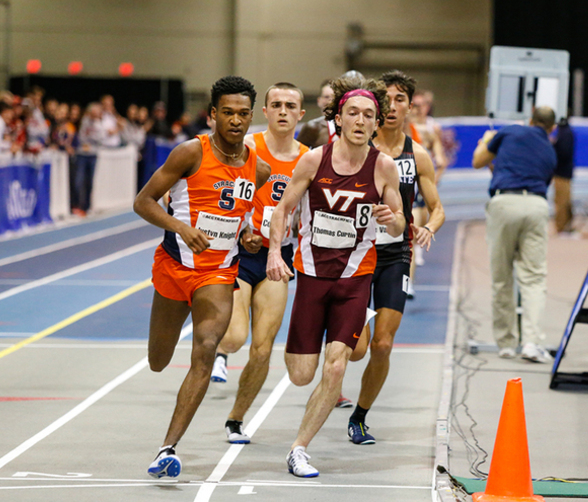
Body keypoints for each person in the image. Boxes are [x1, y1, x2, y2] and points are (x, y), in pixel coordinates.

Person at [265, 75, 404, 477]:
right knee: (300, 374)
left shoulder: (384, 167)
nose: (361, 121)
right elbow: (283, 210)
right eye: (353, 113)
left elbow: (398, 227)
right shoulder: (314, 160)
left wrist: (389, 218)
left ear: (377, 123)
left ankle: (299, 449)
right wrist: (276, 251)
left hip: (355, 278)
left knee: (337, 365)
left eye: (369, 116)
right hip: (312, 276)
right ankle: (355, 335)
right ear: (338, 118)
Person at [133, 76, 270, 479]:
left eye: (243, 114)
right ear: (213, 114)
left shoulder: (256, 169)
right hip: (174, 269)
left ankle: (167, 448)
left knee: (207, 346)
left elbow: (244, 217)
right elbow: (142, 202)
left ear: (250, 118)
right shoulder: (189, 153)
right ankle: (163, 361)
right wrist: (180, 227)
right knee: (158, 360)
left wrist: (247, 235)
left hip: (217, 273)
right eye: (227, 112)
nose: (235, 121)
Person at [345, 70, 445, 444]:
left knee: (382, 344)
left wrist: (428, 228)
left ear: (410, 106)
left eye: (400, 99)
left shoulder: (416, 155)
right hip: (354, 254)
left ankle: (359, 417)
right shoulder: (354, 146)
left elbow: (437, 208)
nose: (391, 106)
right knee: (355, 348)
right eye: (385, 99)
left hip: (394, 256)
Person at [209, 82, 310, 446]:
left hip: (278, 258)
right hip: (240, 253)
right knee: (235, 337)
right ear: (264, 112)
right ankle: (217, 351)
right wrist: (241, 233)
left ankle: (236, 418)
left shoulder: (309, 158)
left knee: (263, 347)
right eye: (276, 105)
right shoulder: (248, 147)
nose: (283, 111)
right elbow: (223, 197)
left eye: (291, 105)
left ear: (301, 114)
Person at [472, 107, 558, 363]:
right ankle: (531, 343)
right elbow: (538, 179)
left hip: (504, 204)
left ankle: (507, 344)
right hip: (536, 206)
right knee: (533, 279)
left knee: (501, 277)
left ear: (530, 120)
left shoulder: (509, 132)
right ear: (551, 128)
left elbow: (478, 161)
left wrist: (485, 142)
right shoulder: (550, 150)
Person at [407, 90, 447, 295]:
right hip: (403, 184)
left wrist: (431, 182)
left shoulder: (432, 130)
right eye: (415, 105)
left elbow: (440, 161)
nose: (418, 108)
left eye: (422, 105)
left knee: (413, 231)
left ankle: (409, 282)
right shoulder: (400, 129)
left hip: (418, 186)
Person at [551, 117, 575, 234]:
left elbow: (563, 153)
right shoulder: (567, 132)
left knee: (561, 201)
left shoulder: (564, 133)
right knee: (564, 201)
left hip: (562, 173)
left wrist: (553, 146)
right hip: (565, 172)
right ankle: (566, 225)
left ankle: (561, 226)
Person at [297, 79, 337, 149]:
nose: (331, 101)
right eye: (327, 97)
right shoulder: (312, 127)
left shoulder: (347, 128)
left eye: (334, 97)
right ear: (319, 101)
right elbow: (297, 154)